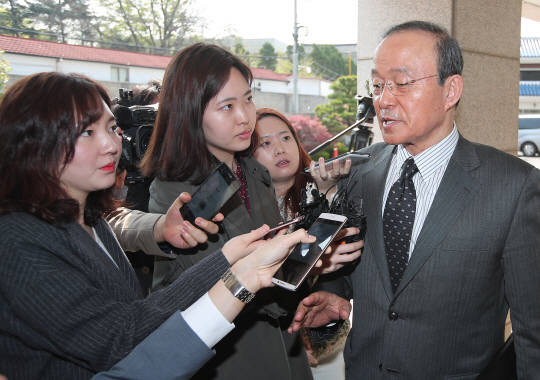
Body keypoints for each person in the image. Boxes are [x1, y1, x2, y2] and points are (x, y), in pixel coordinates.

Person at [0, 71, 316, 380]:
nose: (111, 145)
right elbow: (119, 340)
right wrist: (234, 270)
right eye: (87, 132)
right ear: (34, 142)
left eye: (111, 128)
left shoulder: (91, 220)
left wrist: (237, 261)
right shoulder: (18, 240)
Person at [289, 20, 540, 379]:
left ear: (451, 90)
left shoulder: (514, 187)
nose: (384, 100)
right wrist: (332, 294)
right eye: (377, 85)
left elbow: (533, 331)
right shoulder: (358, 173)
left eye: (402, 84)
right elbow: (348, 272)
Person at [252, 108, 358, 379]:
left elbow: (346, 265)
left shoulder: (319, 195)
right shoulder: (244, 212)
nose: (279, 149)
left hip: (321, 345)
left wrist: (326, 194)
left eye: (286, 138)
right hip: (260, 345)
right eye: (265, 143)